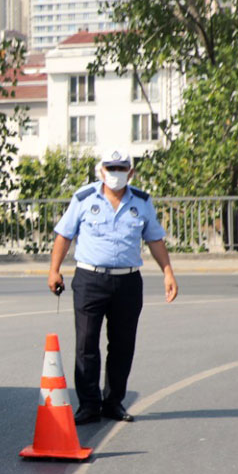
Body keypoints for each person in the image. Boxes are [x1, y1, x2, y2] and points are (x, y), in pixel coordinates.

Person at [47, 148, 178, 425]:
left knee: (122, 345)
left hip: (128, 281)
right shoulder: (83, 198)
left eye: (121, 168)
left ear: (131, 172)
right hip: (90, 279)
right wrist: (54, 270)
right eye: (111, 168)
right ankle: (89, 405)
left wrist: (168, 272)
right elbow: (64, 234)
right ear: (101, 170)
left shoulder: (141, 201)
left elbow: (155, 239)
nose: (116, 174)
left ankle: (113, 402)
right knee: (86, 344)